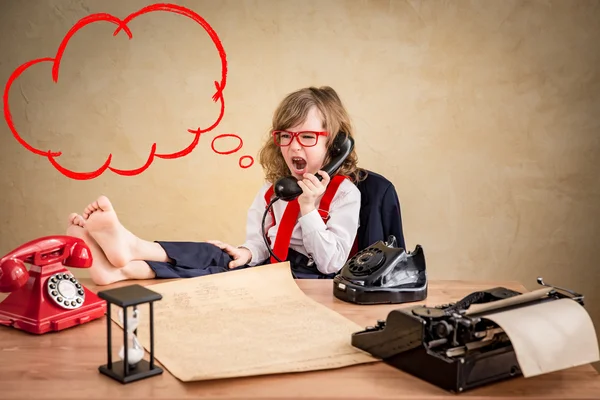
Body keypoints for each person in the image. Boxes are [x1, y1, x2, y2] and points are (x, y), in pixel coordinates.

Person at [66, 86, 364, 285]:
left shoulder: (345, 195)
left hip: (310, 282)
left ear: (335, 145)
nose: (293, 147)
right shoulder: (277, 190)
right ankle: (125, 265)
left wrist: (309, 210)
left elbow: (330, 264)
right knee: (220, 258)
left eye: (307, 137)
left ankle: (129, 253)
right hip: (271, 273)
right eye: (285, 136)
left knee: (221, 269)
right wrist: (247, 253)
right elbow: (261, 243)